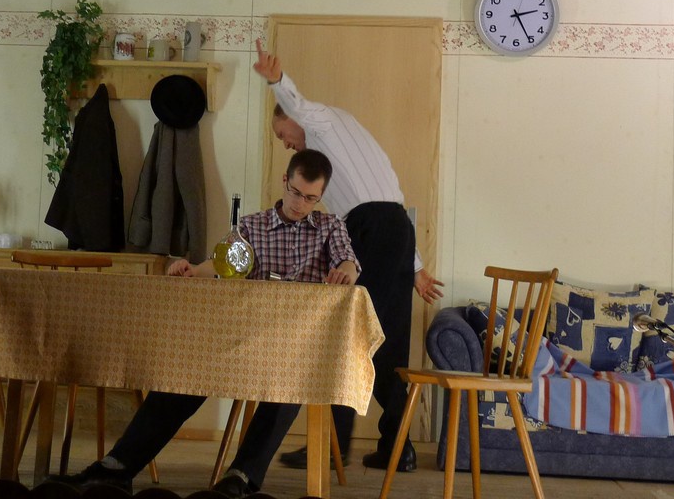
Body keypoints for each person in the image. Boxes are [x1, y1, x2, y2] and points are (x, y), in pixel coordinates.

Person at [55, 149, 360, 499]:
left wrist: (345, 272)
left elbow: (348, 261)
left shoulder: (330, 227)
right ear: (285, 182)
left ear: (320, 197)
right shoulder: (253, 226)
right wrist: (192, 270)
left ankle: (241, 478)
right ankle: (117, 467)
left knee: (290, 379)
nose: (300, 203)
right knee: (186, 370)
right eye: (295, 192)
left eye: (310, 198)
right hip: (245, 339)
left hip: (295, 350)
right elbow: (222, 264)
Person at [253, 38, 445, 474]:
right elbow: (390, 204)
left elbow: (298, 105)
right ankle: (396, 448)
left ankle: (332, 446)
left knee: (344, 337)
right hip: (392, 231)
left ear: (292, 121)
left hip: (372, 231)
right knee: (386, 344)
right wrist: (414, 266)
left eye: (283, 136)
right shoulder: (344, 136)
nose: (287, 145)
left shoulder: (321, 122)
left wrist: (276, 80)